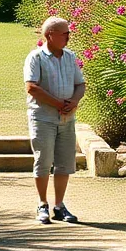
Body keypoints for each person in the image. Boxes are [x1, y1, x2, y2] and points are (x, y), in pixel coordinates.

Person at [23, 15, 86, 224]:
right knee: (43, 161)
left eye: (69, 33)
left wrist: (74, 101)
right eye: (64, 33)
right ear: (50, 35)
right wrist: (58, 103)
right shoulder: (36, 57)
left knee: (64, 163)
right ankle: (42, 204)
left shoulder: (70, 56)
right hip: (43, 118)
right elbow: (31, 87)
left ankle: (59, 206)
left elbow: (80, 84)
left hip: (67, 119)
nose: (68, 36)